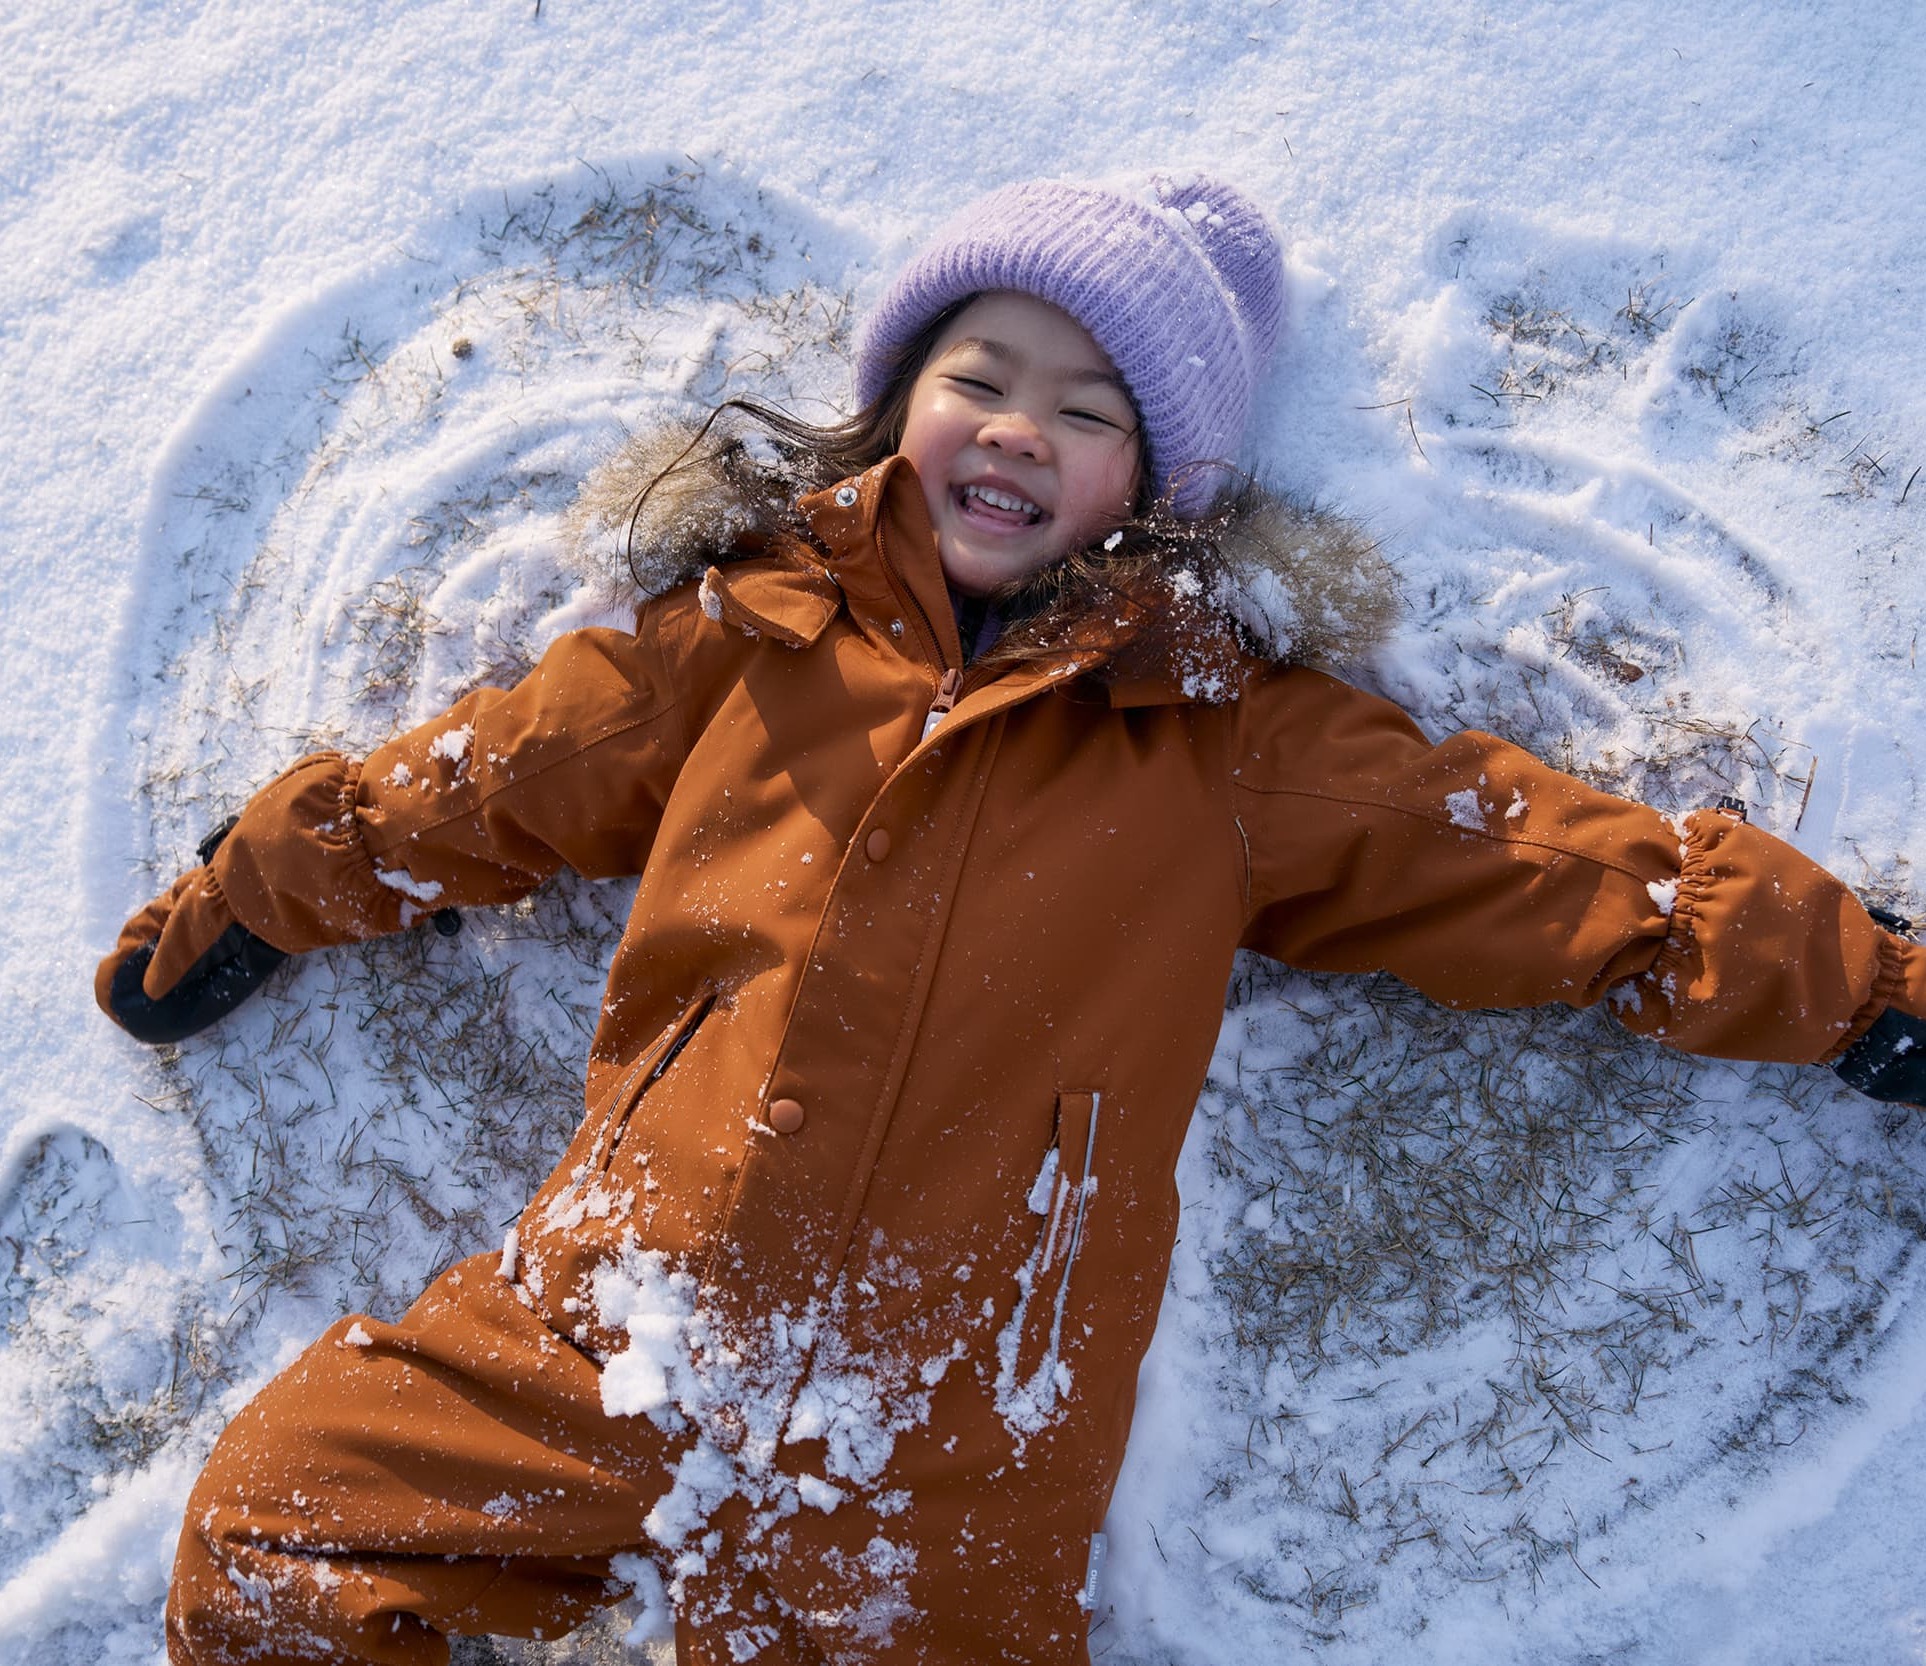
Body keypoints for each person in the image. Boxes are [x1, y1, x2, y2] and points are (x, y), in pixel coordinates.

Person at [97, 174, 1926, 1666]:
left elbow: (1537, 863)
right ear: (901, 400)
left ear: (1157, 484)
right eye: (983, 374)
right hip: (620, 1315)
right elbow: (487, 773)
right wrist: (260, 884)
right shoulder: (748, 644)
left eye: (1087, 410)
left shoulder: (1213, 739)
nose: (1017, 430)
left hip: (961, 1416)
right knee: (278, 1533)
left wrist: (1856, 991)